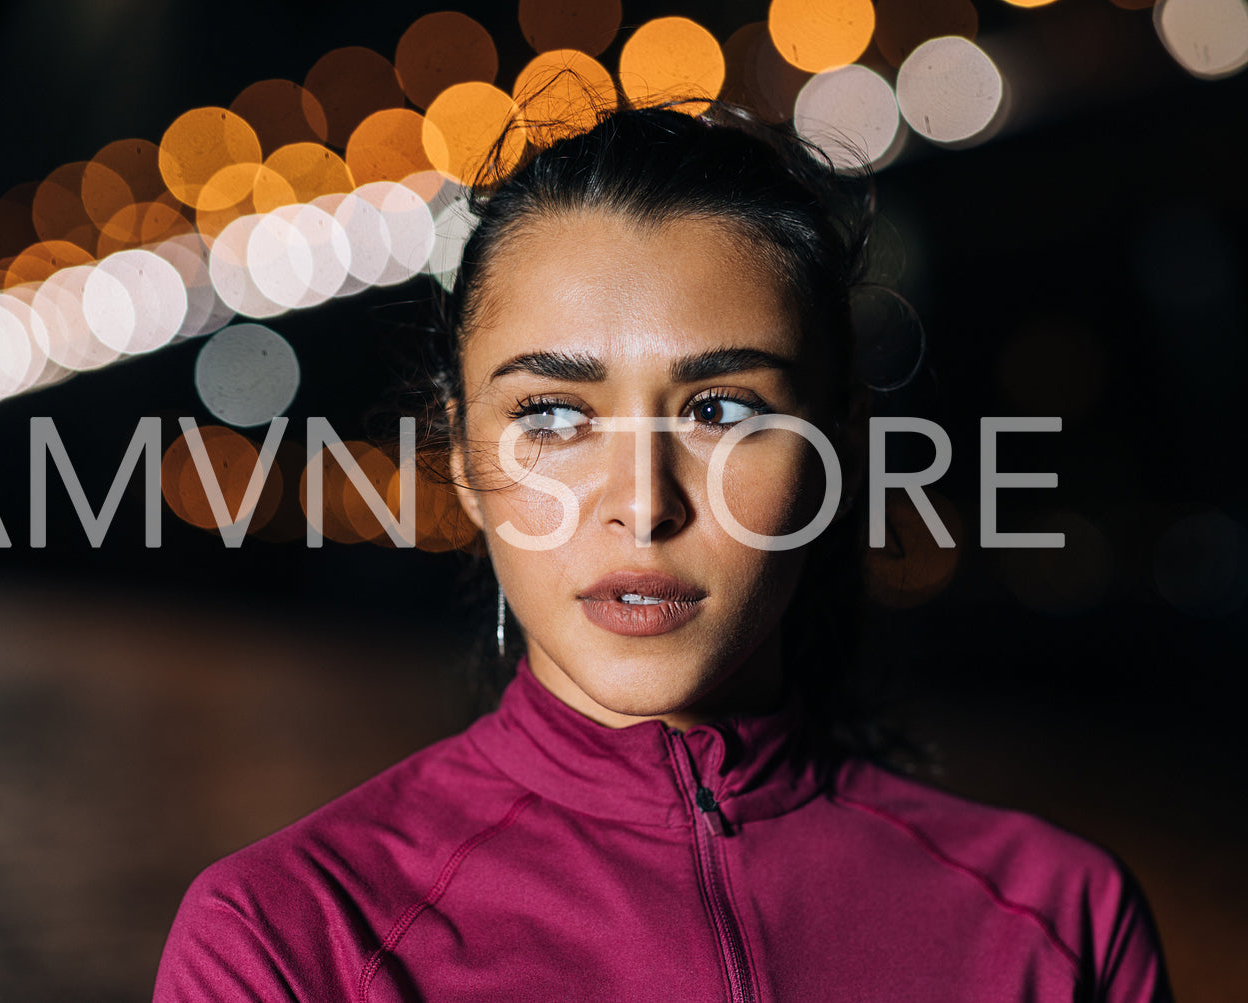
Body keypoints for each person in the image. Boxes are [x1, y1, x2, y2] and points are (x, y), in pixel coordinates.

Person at [152, 104, 1172, 1001]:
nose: (641, 506)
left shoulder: (1058, 923)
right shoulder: (290, 942)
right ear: (461, 455)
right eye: (552, 414)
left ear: (837, 448)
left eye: (719, 409)